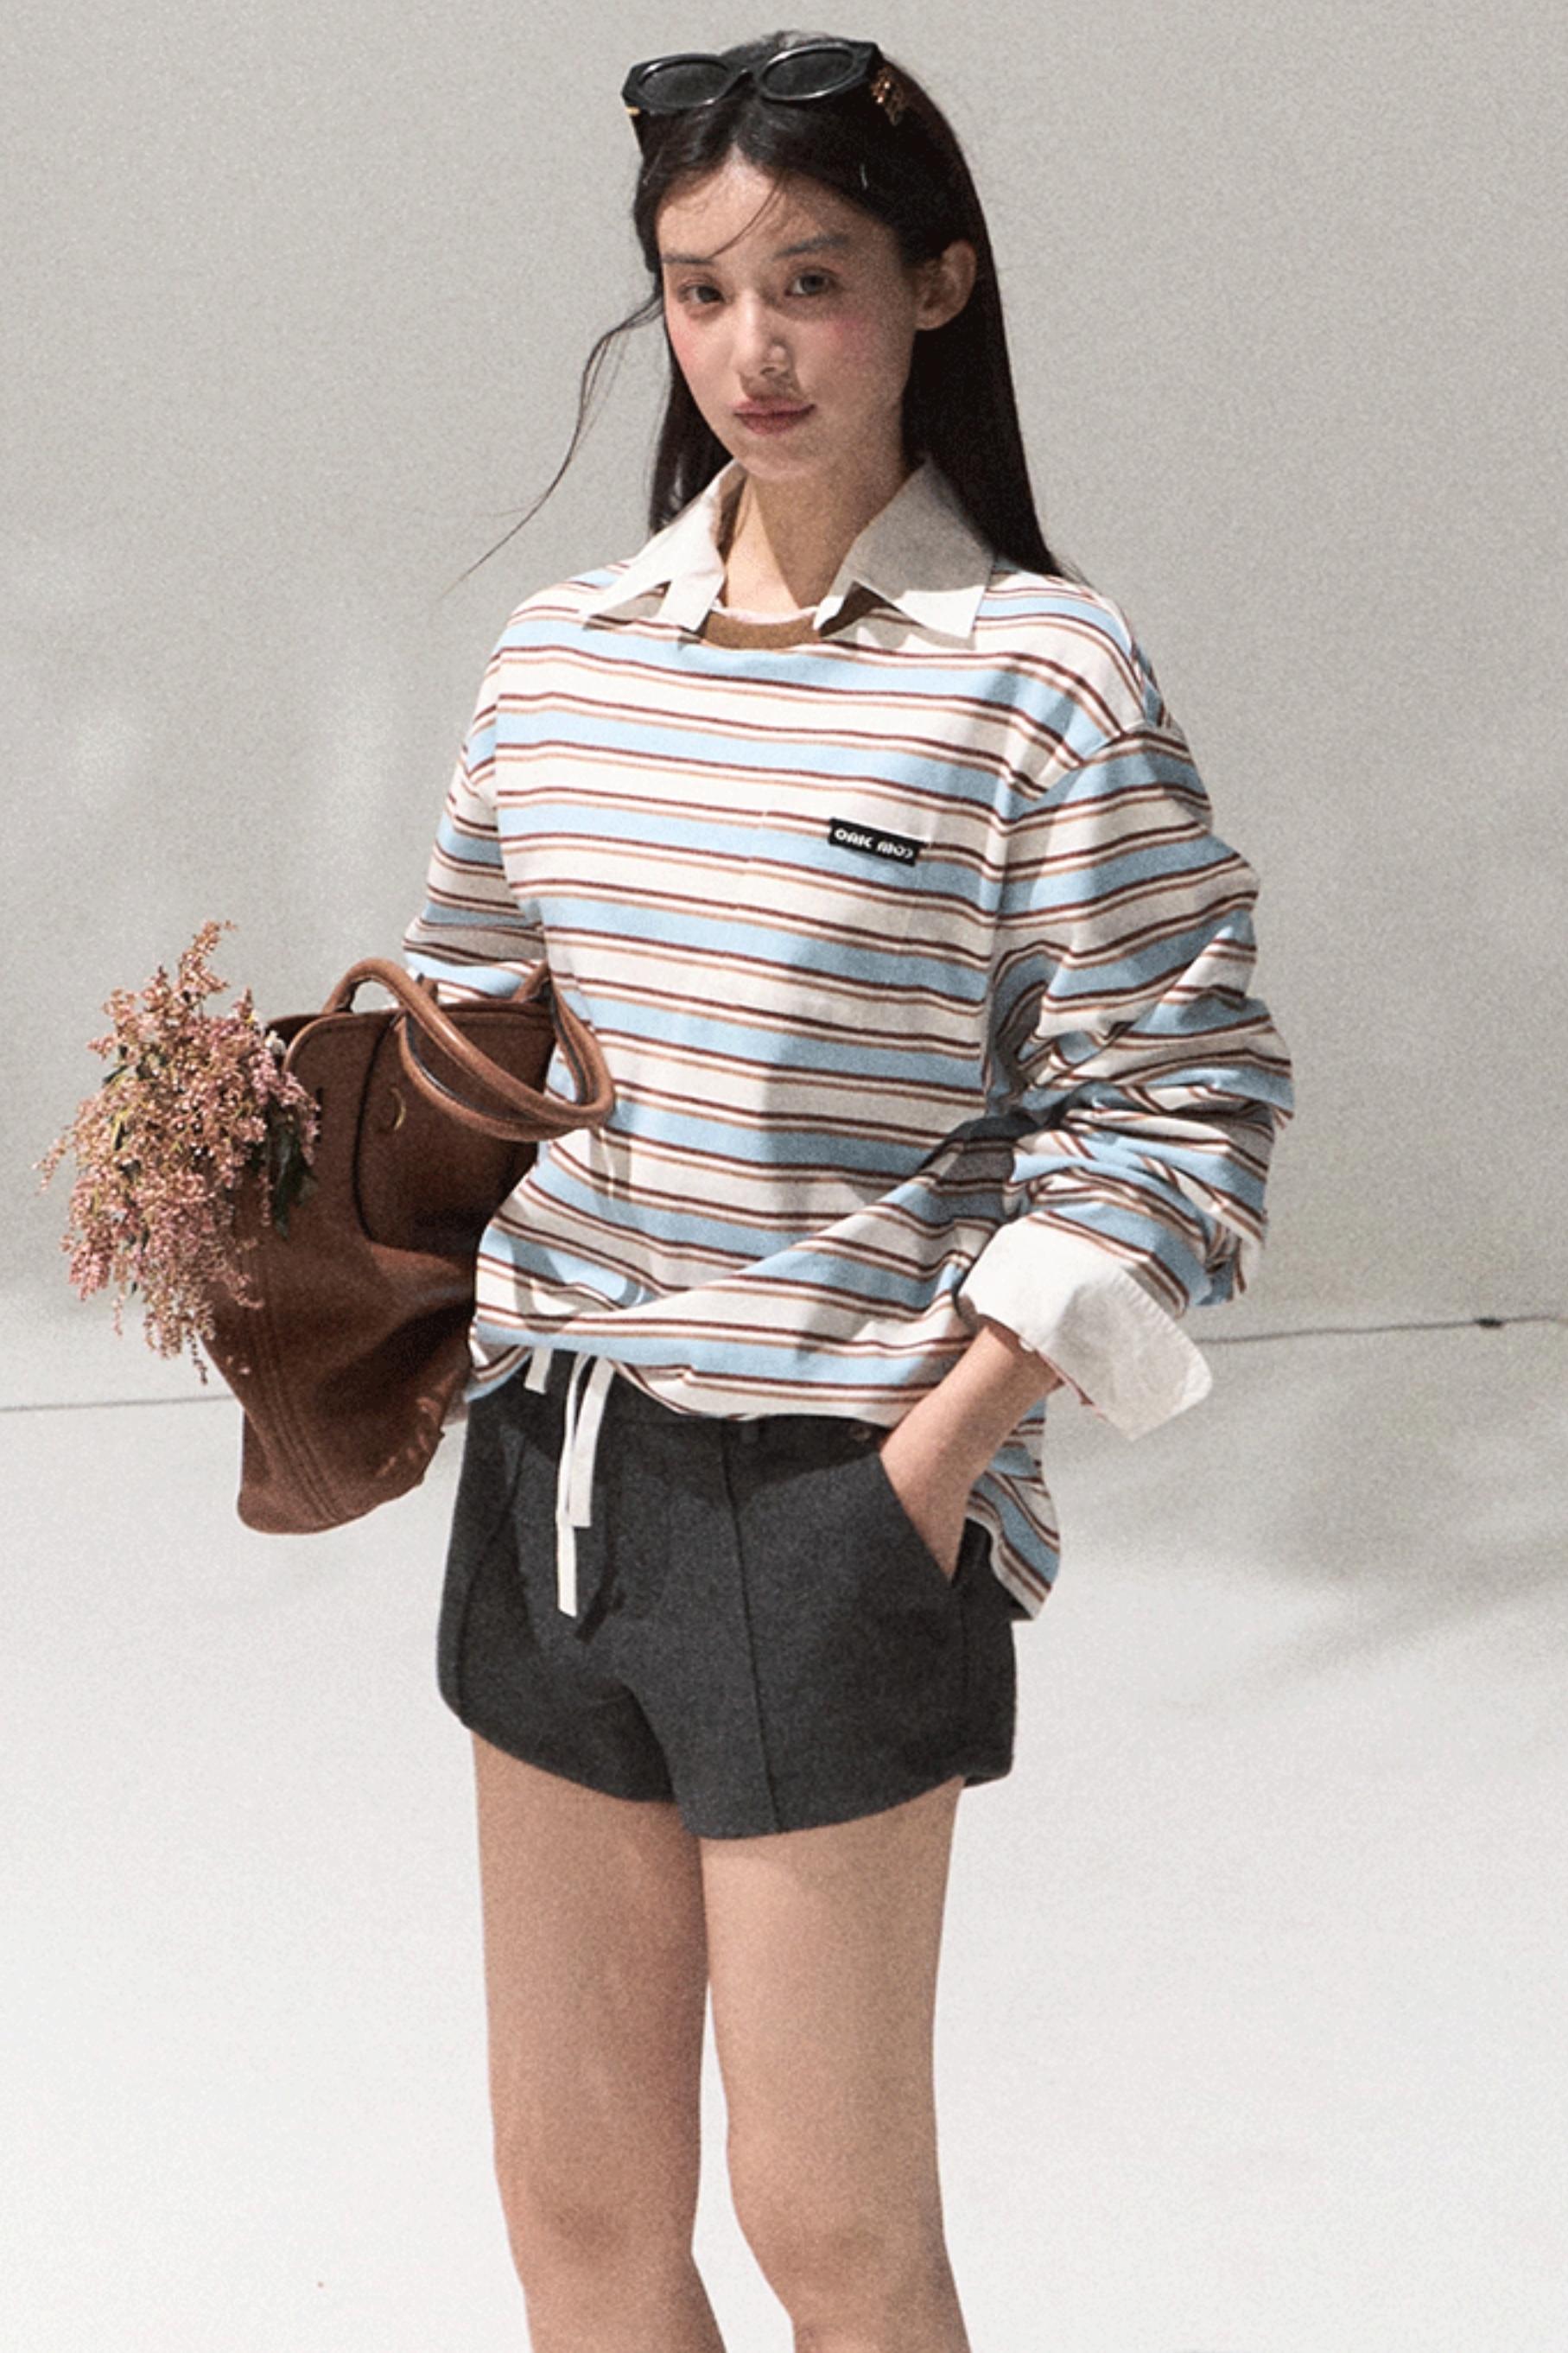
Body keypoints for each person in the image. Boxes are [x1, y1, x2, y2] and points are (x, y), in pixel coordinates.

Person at [403, 30, 1296, 2353]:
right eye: (702, 292)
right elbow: (470, 1044)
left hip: (831, 1493)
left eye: (811, 281)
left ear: (937, 287)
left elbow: (1186, 1103)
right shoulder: (561, 662)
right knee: (575, 2208)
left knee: (834, 2229)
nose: (754, 349)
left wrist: (934, 1459)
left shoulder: (1039, 677)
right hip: (553, 1468)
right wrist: (276, 1182)